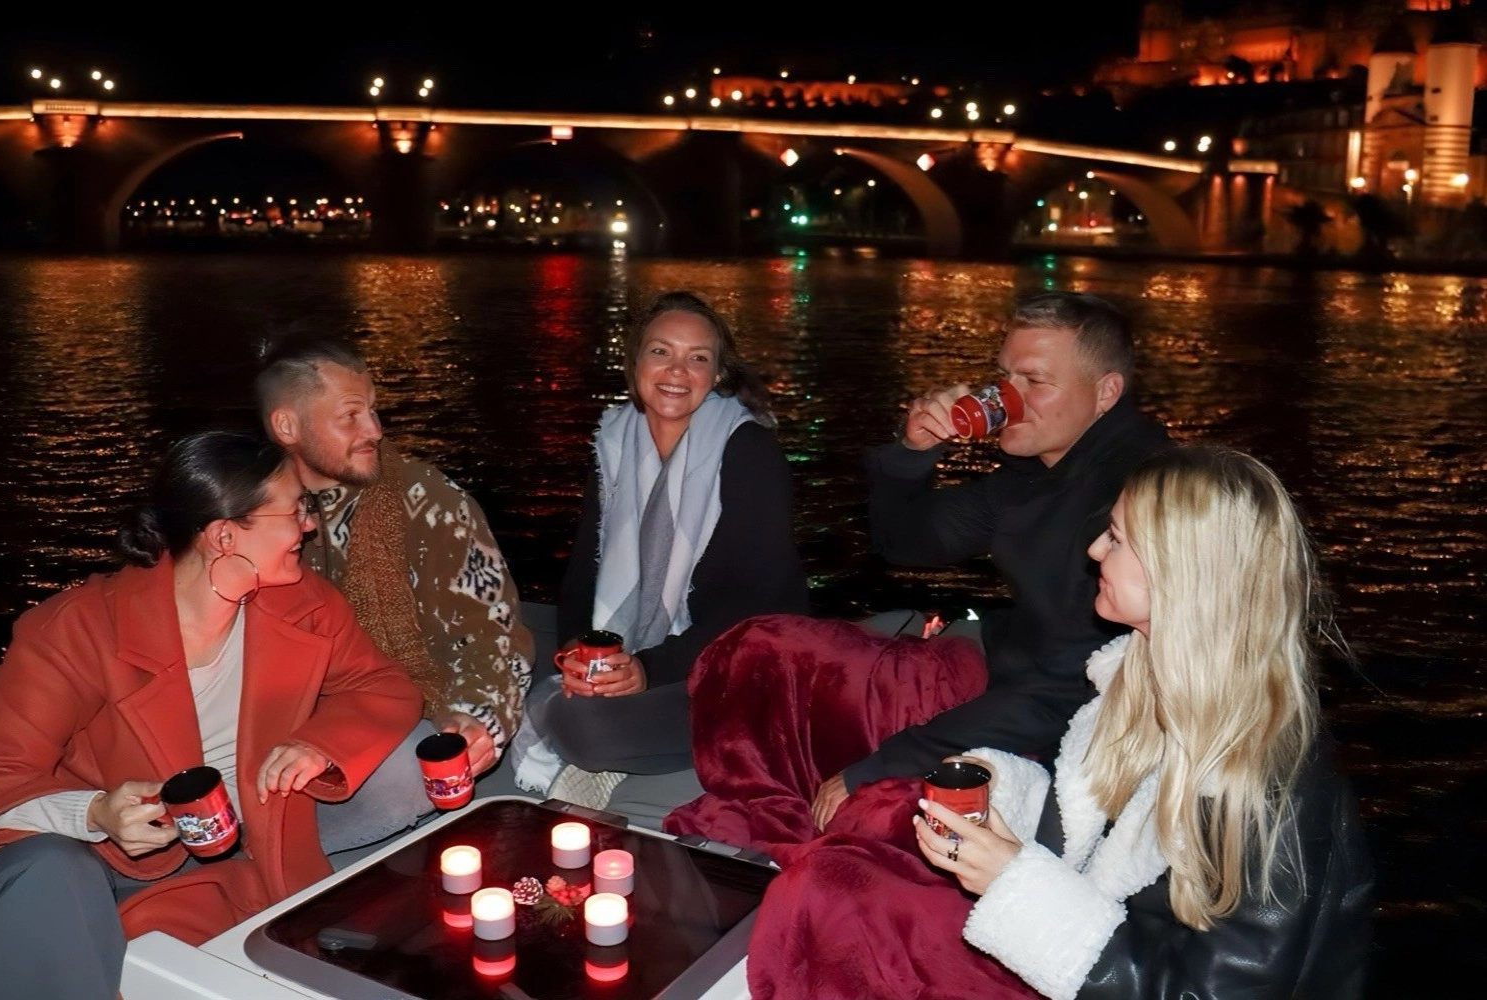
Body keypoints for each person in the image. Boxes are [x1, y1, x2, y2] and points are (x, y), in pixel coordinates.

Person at [744, 446, 1375, 1000]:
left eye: (1119, 539)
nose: (1095, 547)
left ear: (1184, 573)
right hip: (1078, 960)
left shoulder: (1268, 788)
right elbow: (1097, 841)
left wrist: (1016, 883)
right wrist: (999, 794)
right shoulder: (1139, 679)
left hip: (1092, 969)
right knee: (836, 885)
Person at [666, 291, 1169, 846]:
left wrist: (882, 764)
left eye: (1034, 381)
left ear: (1105, 393)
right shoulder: (1040, 470)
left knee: (870, 816)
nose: (1007, 398)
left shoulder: (1135, 498)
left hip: (1069, 733)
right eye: (1003, 376)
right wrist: (912, 453)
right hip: (1005, 673)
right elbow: (907, 543)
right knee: (763, 646)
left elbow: (1065, 689)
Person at [0, 431, 421, 1000]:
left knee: (419, 754)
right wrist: (97, 812)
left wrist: (319, 744)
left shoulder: (305, 603)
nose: (309, 525)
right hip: (114, 860)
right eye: (295, 510)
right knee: (51, 871)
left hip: (262, 831)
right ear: (224, 536)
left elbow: (382, 686)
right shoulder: (75, 630)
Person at [512, 290, 810, 811]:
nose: (678, 370)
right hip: (645, 651)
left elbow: (756, 606)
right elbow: (586, 567)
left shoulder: (748, 452)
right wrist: (582, 656)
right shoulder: (616, 441)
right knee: (539, 675)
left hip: (736, 665)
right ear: (634, 365)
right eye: (661, 352)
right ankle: (617, 726)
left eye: (698, 358)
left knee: (582, 725)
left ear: (717, 375)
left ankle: (619, 748)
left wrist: (649, 669)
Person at [255, 334, 535, 851]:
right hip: (286, 727)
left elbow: (493, 636)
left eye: (375, 412)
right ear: (287, 426)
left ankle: (268, 849)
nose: (375, 431)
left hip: (402, 720)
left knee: (414, 768)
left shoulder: (430, 503)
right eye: (351, 416)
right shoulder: (246, 515)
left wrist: (476, 720)